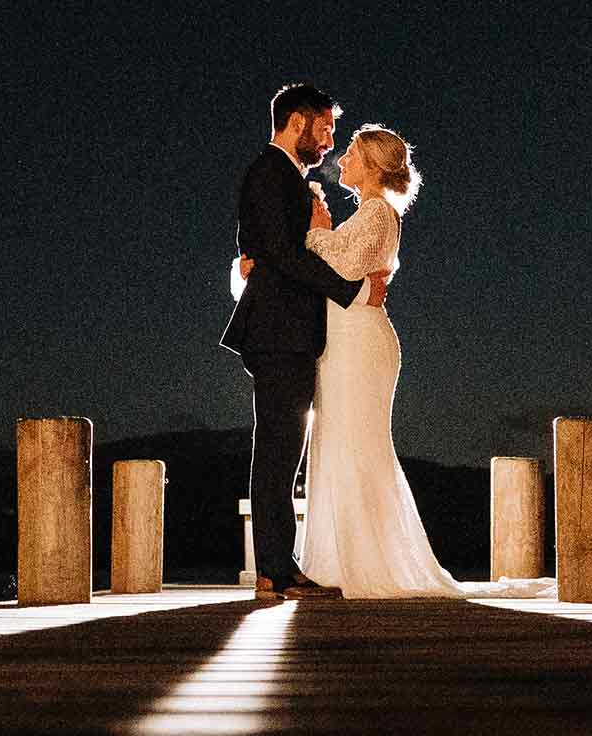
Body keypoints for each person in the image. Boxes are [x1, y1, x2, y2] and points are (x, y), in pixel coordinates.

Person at [261, 124, 554, 599]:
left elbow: (344, 268)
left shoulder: (379, 213)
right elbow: (339, 269)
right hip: (342, 344)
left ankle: (372, 563)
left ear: (373, 165)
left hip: (360, 347)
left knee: (359, 446)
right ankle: (336, 560)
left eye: (352, 152)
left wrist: (316, 233)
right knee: (337, 445)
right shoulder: (366, 214)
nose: (342, 160)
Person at [221, 83, 387, 601]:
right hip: (278, 332)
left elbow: (266, 251)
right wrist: (352, 290)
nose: (330, 142)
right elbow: (282, 254)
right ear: (297, 123)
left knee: (282, 447)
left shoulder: (286, 178)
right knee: (277, 449)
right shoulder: (271, 172)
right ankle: (276, 568)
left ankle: (278, 565)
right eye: (325, 129)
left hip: (288, 332)